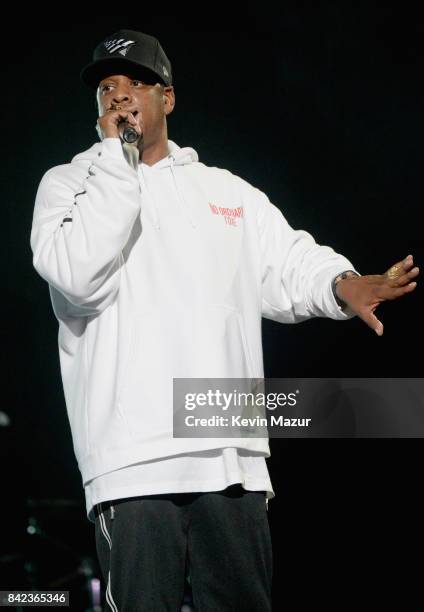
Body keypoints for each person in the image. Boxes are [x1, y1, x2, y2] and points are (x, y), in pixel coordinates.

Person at [30, 29, 419, 611]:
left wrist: (341, 284)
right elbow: (77, 275)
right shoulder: (69, 185)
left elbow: (290, 261)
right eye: (108, 87)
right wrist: (116, 161)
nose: (120, 96)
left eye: (137, 83)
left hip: (230, 458)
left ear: (168, 97)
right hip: (134, 464)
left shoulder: (225, 191)